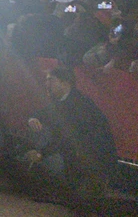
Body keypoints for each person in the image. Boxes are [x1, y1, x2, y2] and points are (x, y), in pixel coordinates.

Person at [11, 64, 114, 206]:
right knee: (36, 133)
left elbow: (69, 139)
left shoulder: (78, 104)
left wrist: (42, 153)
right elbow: (43, 113)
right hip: (78, 153)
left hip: (89, 158)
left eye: (51, 80)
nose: (46, 84)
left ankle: (62, 188)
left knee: (47, 154)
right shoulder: (63, 100)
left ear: (65, 84)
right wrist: (33, 119)